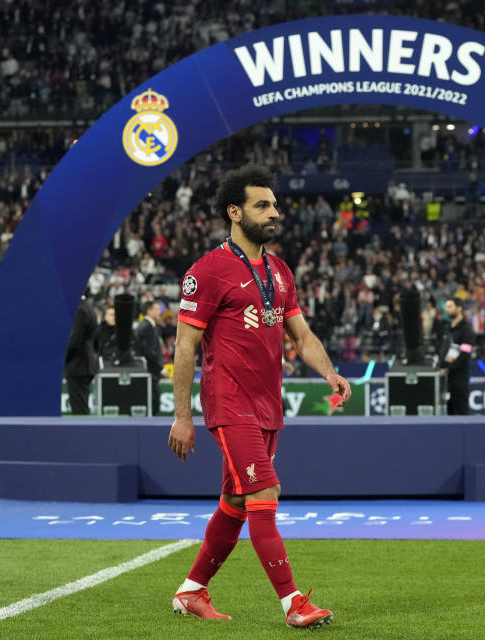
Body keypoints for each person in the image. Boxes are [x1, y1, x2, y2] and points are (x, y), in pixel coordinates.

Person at [168, 165, 351, 629]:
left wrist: (329, 372)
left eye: (274, 204)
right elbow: (184, 347)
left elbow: (302, 335)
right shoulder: (207, 272)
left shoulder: (279, 271)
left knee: (235, 502)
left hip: (269, 405)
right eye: (262, 205)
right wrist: (182, 416)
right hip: (230, 404)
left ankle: (191, 591)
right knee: (265, 493)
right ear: (235, 212)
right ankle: (293, 603)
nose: (274, 212)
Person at [64, 292, 99, 415]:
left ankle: (83, 434)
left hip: (78, 365)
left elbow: (74, 341)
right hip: (84, 364)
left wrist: (61, 360)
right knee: (81, 405)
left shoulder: (79, 310)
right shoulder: (88, 307)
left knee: (79, 409)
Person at [440, 297, 475, 415]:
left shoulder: (466, 331)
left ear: (459, 309)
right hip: (445, 380)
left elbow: (465, 354)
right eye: (446, 307)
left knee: (460, 411)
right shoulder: (446, 329)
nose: (447, 310)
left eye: (450, 307)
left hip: (459, 380)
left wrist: (449, 368)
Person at [134, 300, 164, 416]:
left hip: (148, 372)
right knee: (153, 403)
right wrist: (160, 368)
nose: (159, 312)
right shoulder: (147, 327)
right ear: (149, 311)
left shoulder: (146, 326)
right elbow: (149, 352)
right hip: (150, 372)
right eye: (156, 310)